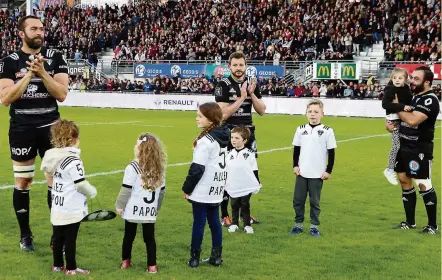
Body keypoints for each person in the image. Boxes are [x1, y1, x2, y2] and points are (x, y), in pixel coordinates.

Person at [0, 15, 69, 251]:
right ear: (22, 33)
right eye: (34, 28)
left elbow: (61, 94)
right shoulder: (9, 61)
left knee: (55, 182)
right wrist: (29, 75)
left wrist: (42, 73)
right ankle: (25, 235)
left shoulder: (55, 57)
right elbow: (6, 98)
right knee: (23, 181)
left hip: (52, 129)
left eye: (41, 28)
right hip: (22, 129)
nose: (39, 32)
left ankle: (56, 233)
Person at [215, 51, 266, 227]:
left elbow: (262, 110)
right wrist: (242, 98)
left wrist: (251, 95)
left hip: (248, 134)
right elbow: (222, 114)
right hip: (229, 133)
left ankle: (245, 213)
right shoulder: (223, 84)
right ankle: (225, 215)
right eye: (235, 65)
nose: (238, 68)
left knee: (250, 174)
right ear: (229, 66)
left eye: (241, 65)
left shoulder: (251, 84)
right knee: (226, 174)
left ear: (246, 66)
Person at [386, 66, 439, 234]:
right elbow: (403, 121)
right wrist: (392, 126)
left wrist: (396, 106)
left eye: (416, 79)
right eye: (412, 77)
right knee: (403, 180)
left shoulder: (429, 99)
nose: (412, 81)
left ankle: (432, 225)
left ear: (427, 82)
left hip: (419, 148)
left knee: (423, 183)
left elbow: (413, 121)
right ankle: (410, 222)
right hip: (403, 145)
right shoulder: (413, 97)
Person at [40, 119, 96, 275]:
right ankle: (71, 268)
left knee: (58, 236)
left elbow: (49, 176)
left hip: (57, 203)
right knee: (70, 238)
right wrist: (92, 191)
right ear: (75, 139)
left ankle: (57, 265)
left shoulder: (52, 157)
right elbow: (80, 183)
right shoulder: (73, 160)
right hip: (71, 206)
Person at [181, 102, 230, 268]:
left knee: (199, 223)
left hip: (203, 188)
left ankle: (194, 258)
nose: (196, 119)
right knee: (215, 222)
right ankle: (216, 257)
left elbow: (197, 169)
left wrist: (187, 188)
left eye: (200, 116)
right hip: (217, 186)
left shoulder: (206, 141)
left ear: (210, 119)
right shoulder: (224, 136)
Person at [115, 133, 167, 274]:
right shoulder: (160, 169)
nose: (134, 147)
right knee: (149, 238)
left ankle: (125, 262)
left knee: (129, 236)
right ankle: (152, 266)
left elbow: (126, 189)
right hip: (149, 210)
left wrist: (119, 206)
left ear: (141, 149)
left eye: (136, 145)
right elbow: (162, 192)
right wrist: (156, 208)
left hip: (132, 209)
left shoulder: (132, 167)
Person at [289, 99, 337, 237]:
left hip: (317, 174)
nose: (313, 114)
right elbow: (296, 150)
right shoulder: (300, 129)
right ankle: (298, 225)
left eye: (316, 112)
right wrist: (295, 165)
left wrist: (328, 170)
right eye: (310, 111)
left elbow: (332, 153)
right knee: (298, 200)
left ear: (322, 114)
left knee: (314, 202)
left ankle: (314, 227)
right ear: (306, 114)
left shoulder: (327, 131)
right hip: (302, 173)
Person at [225, 126, 262, 234]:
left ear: (244, 140)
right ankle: (234, 223)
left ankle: (247, 225)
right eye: (232, 137)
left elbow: (254, 169)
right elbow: (226, 170)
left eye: (237, 138)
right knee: (234, 204)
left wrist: (257, 182)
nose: (233, 140)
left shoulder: (249, 154)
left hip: (246, 184)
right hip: (233, 184)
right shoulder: (229, 154)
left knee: (245, 204)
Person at [381, 68, 413, 185]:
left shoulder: (407, 90)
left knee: (405, 144)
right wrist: (402, 106)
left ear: (405, 79)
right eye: (395, 78)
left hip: (403, 120)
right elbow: (385, 104)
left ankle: (404, 167)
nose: (397, 80)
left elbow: (410, 103)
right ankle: (389, 169)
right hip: (393, 120)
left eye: (400, 78)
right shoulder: (390, 90)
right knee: (396, 144)